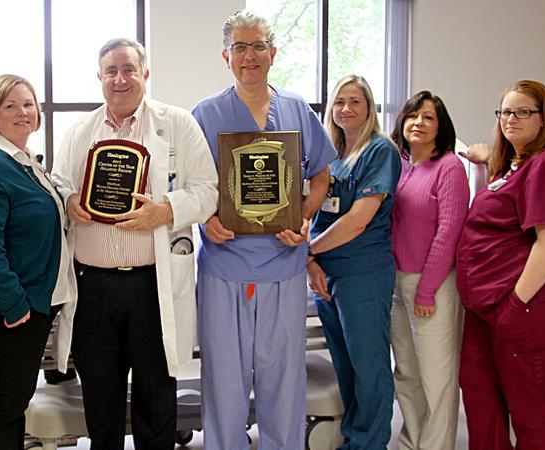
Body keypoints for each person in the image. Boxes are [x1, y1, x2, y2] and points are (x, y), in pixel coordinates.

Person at [52, 38, 217, 450]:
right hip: (93, 287)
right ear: (99, 78)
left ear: (145, 74)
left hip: (151, 285)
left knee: (156, 395)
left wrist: (167, 210)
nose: (120, 79)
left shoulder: (177, 124)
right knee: (100, 398)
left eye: (128, 69)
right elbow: (58, 184)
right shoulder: (79, 132)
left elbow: (208, 190)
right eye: (111, 71)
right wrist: (70, 200)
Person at [191, 10, 336, 449]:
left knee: (283, 377)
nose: (249, 56)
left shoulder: (296, 110)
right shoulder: (206, 113)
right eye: (240, 47)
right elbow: (191, 185)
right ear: (225, 56)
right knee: (224, 379)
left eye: (258, 46)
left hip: (283, 265)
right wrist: (206, 219)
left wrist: (303, 218)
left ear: (273, 53)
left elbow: (322, 175)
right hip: (224, 266)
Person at [0, 74, 76, 450]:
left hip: (32, 304)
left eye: (28, 104)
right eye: (10, 106)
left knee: (14, 402)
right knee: (7, 408)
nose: (22, 112)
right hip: (8, 311)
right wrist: (13, 304)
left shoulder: (26, 162)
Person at [456, 80, 545, 450]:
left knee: (531, 408)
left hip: (524, 307)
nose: (512, 118)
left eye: (524, 111)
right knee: (480, 395)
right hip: (487, 309)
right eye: (506, 111)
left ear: (544, 118)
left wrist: (516, 304)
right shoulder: (511, 167)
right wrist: (484, 158)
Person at [307, 74, 401, 449]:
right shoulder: (331, 154)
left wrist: (309, 252)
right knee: (344, 365)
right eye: (340, 101)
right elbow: (316, 214)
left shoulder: (380, 150)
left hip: (363, 273)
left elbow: (358, 218)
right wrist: (311, 263)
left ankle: (370, 441)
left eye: (355, 102)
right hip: (328, 274)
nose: (346, 109)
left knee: (370, 366)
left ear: (369, 108)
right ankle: (353, 436)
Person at [389, 90, 468, 450]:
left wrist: (425, 291)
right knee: (406, 374)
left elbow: (449, 230)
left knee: (436, 380)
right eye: (412, 116)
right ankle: (411, 441)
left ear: (440, 127)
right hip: (395, 285)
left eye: (428, 117)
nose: (418, 123)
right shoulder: (400, 164)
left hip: (431, 287)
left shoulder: (448, 166)